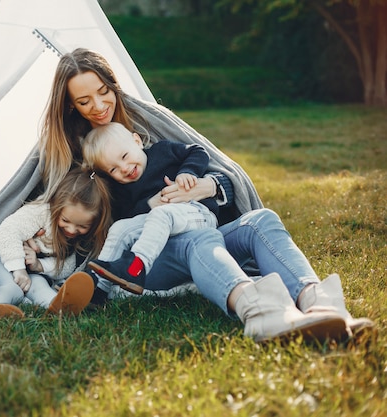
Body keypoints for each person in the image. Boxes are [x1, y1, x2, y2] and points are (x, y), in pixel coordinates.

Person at [30, 47, 375, 343]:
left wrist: (207, 186)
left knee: (260, 221)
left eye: (104, 91)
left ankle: (322, 305)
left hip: (200, 219)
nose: (99, 106)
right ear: (71, 105)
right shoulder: (87, 165)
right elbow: (78, 218)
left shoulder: (149, 128)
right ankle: (260, 312)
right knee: (198, 237)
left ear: (115, 87)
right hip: (150, 256)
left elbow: (214, 168)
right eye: (84, 100)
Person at [81, 122, 218, 294]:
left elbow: (197, 151)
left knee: (161, 214)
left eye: (124, 156)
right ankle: (98, 286)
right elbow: (127, 216)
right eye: (113, 169)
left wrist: (187, 172)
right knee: (119, 228)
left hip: (198, 213)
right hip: (162, 227)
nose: (124, 168)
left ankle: (135, 269)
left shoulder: (163, 151)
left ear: (137, 141)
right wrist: (148, 205)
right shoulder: (121, 190)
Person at [0, 166, 112, 318]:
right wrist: (18, 269)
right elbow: (9, 230)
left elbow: (67, 265)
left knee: (41, 287)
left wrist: (40, 265)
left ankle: (58, 308)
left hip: (32, 271)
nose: (72, 230)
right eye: (66, 220)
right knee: (12, 288)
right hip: (3, 261)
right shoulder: (41, 213)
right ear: (56, 207)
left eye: (82, 226)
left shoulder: (81, 239)